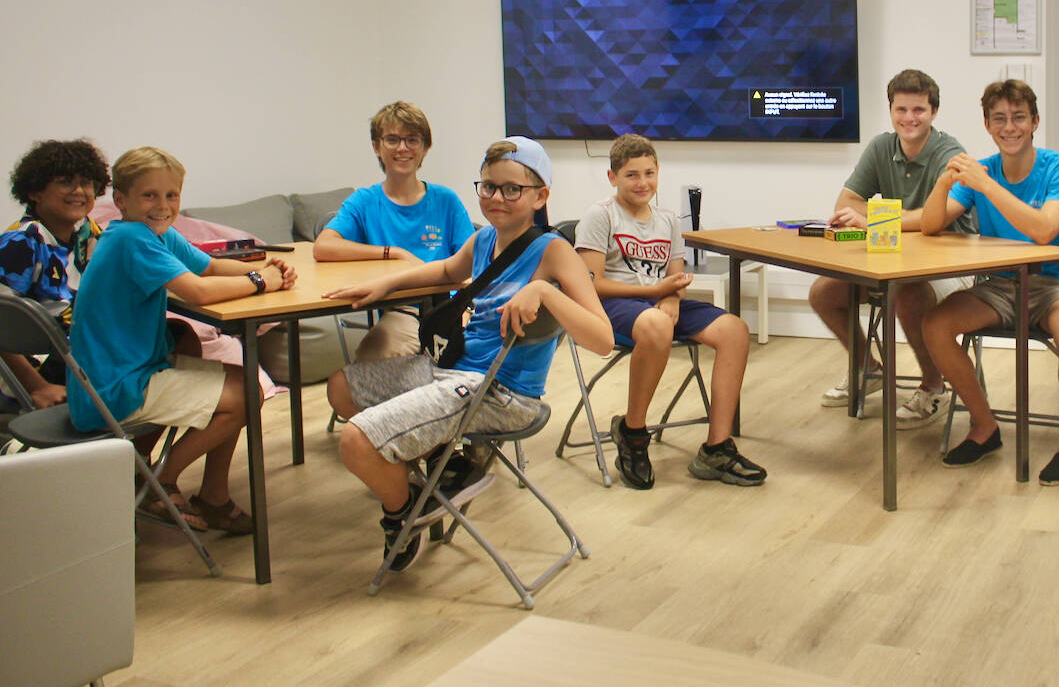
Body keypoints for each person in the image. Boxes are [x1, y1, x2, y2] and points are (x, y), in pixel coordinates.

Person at [324, 137, 612, 573]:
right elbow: (444, 270)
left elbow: (603, 339)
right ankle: (441, 470)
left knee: (356, 439)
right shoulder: (483, 241)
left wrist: (542, 292)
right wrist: (385, 285)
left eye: (512, 189)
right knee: (342, 388)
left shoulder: (553, 251)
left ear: (541, 196)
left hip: (500, 394)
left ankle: (404, 511)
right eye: (488, 187)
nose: (497, 198)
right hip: (454, 374)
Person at [68, 146, 298, 534]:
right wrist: (261, 282)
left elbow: (208, 267)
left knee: (234, 373)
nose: (163, 205)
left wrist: (268, 266)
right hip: (114, 388)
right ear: (120, 200)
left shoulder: (151, 234)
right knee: (247, 394)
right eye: (149, 195)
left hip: (116, 375)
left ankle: (213, 497)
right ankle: (158, 481)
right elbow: (198, 292)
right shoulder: (132, 239)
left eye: (171, 195)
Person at [920, 78, 1059, 481]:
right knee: (936, 323)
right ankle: (985, 426)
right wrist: (945, 182)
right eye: (999, 119)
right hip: (1001, 285)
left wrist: (985, 185)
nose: (1009, 127)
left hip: (1058, 282)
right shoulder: (984, 170)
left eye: (1018, 117)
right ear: (987, 125)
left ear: (1035, 122)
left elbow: (1044, 230)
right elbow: (930, 225)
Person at [574, 134, 767, 490]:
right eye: (631, 175)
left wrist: (673, 297)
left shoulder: (667, 220)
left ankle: (716, 448)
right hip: (614, 306)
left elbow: (676, 278)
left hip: (659, 302)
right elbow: (591, 284)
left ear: (658, 172)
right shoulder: (600, 216)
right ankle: (632, 434)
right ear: (612, 177)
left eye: (649, 173)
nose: (642, 182)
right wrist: (656, 293)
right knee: (657, 324)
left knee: (735, 330)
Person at [808, 69, 977, 428]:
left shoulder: (951, 152)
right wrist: (890, 220)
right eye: (901, 110)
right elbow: (848, 202)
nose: (909, 118)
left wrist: (878, 220)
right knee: (824, 292)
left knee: (908, 295)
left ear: (933, 113)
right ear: (890, 110)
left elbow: (939, 220)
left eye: (918, 110)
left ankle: (934, 387)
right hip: (896, 261)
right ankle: (868, 370)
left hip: (953, 268)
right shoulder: (881, 147)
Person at [314, 101, 473, 362]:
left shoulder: (446, 200)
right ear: (377, 147)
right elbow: (323, 247)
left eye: (412, 139)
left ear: (425, 148)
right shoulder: (365, 201)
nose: (402, 148)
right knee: (365, 371)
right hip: (405, 311)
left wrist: (463, 308)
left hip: (453, 308)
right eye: (392, 139)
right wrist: (394, 253)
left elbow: (474, 263)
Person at [1, 139, 111, 408]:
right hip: (32, 371)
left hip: (75, 354)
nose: (79, 191)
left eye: (86, 182)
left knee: (177, 337)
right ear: (35, 192)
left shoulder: (87, 233)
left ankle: (126, 448)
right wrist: (38, 387)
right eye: (65, 181)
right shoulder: (22, 242)